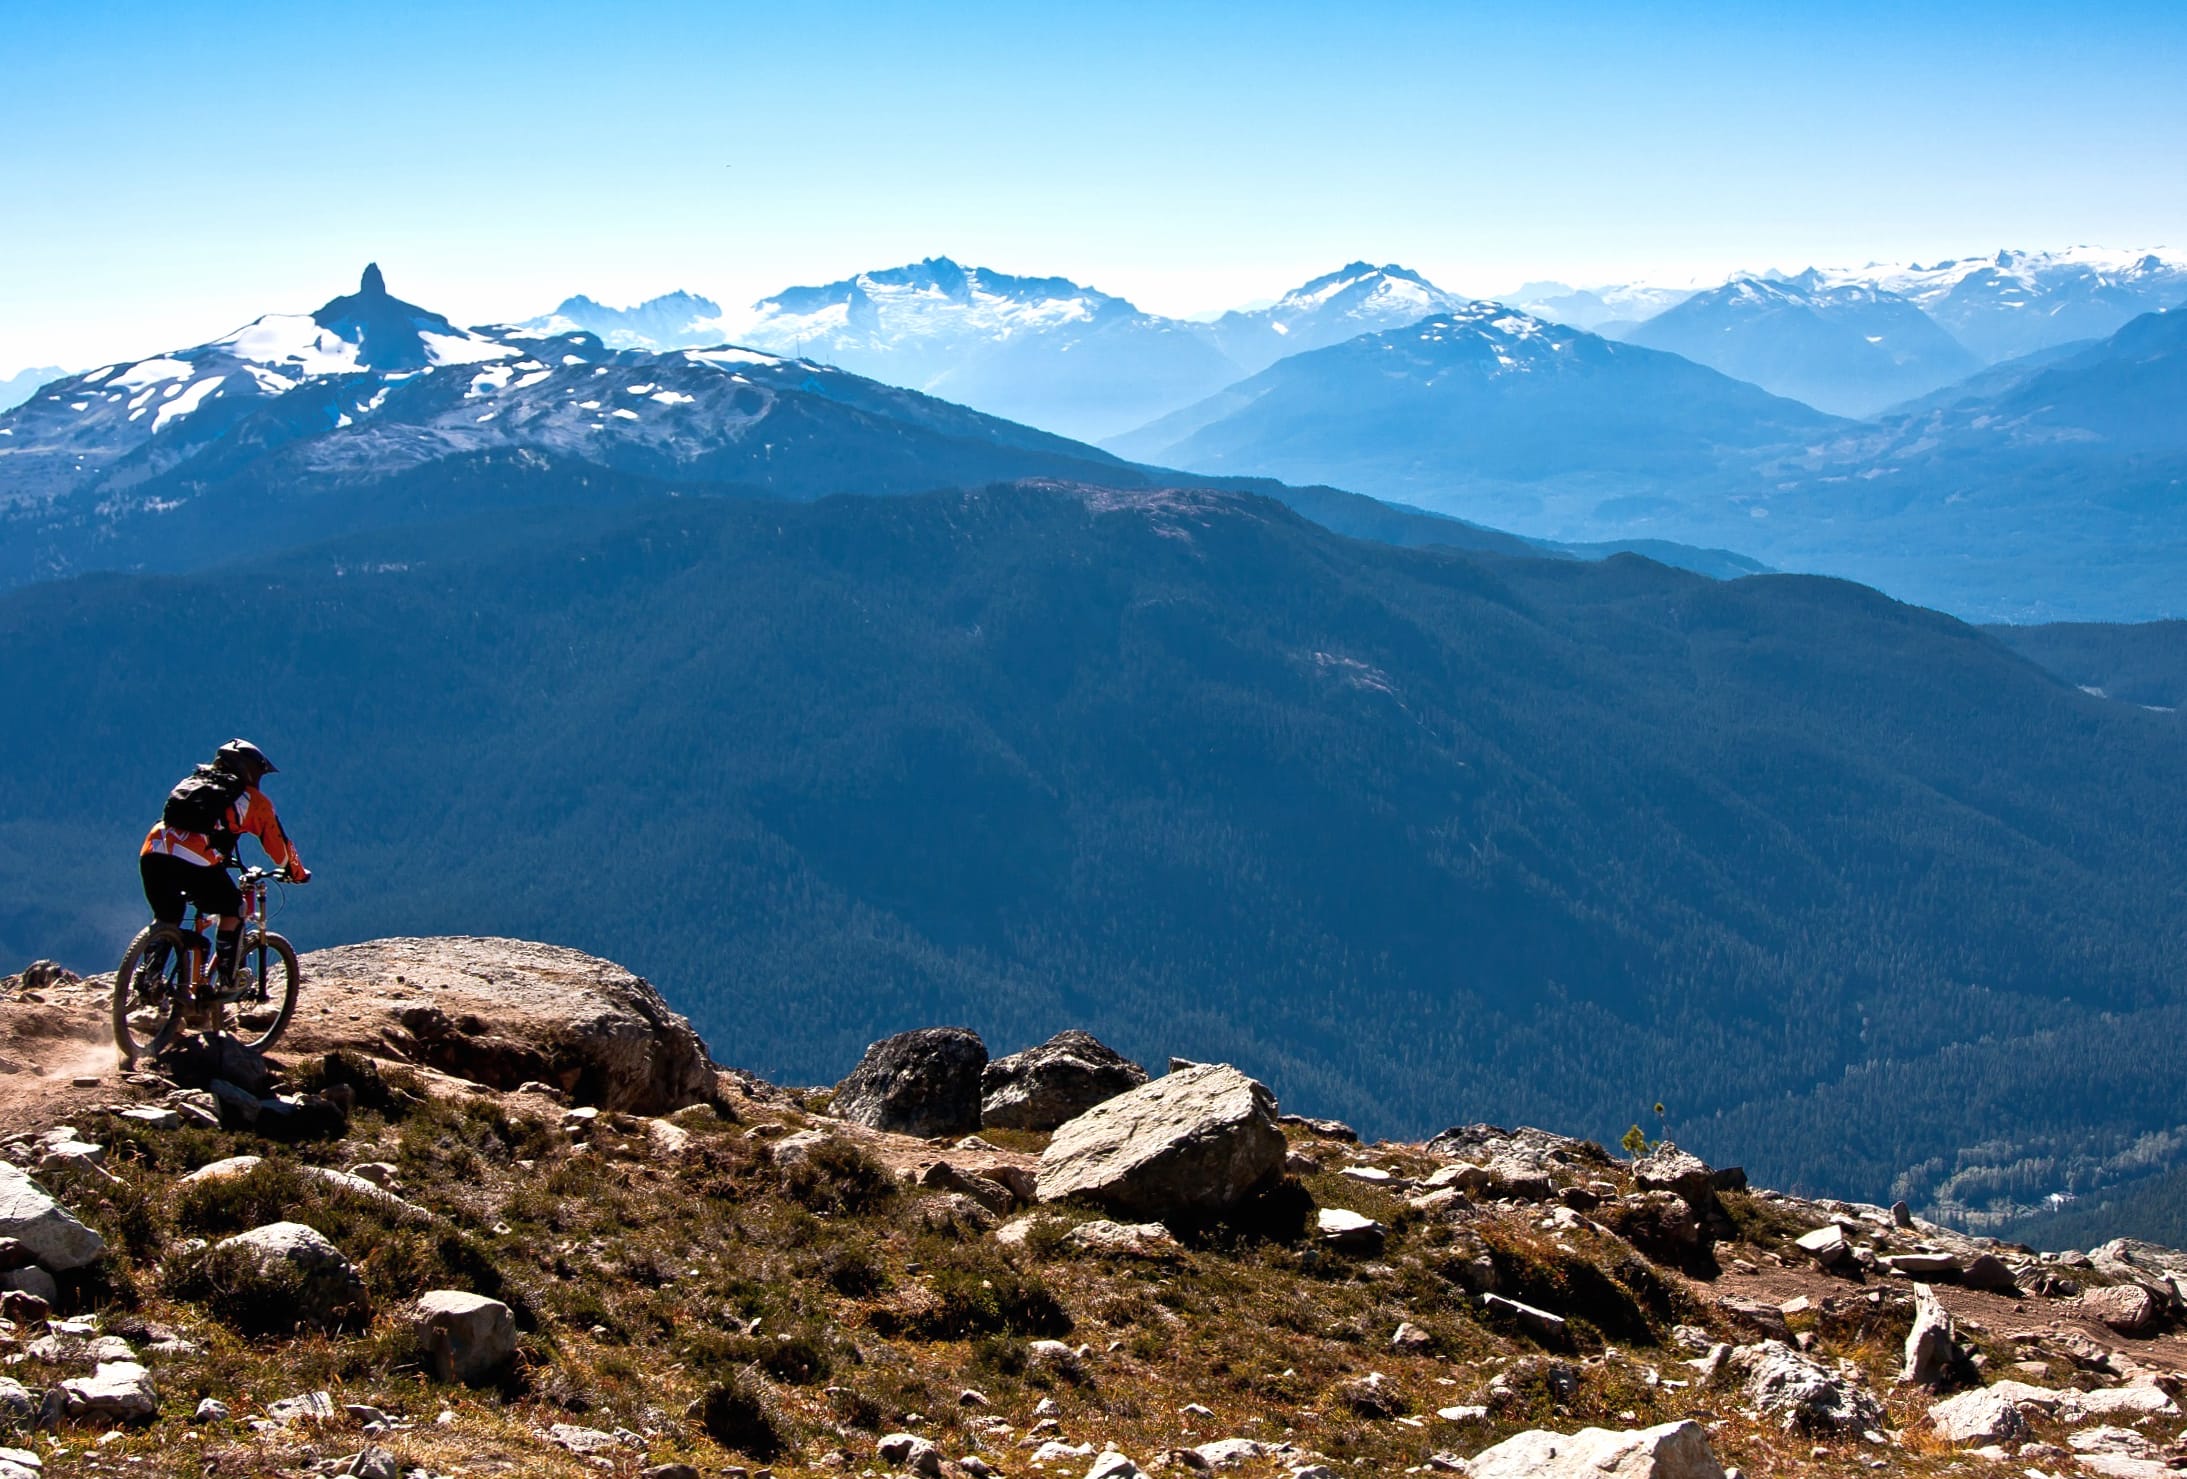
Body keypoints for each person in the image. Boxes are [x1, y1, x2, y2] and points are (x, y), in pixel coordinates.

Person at [140, 739, 310, 995]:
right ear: (249, 770)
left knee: (167, 915)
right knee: (233, 908)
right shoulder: (251, 800)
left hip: (154, 850)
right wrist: (296, 872)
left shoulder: (194, 782)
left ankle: (149, 980)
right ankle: (227, 982)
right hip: (194, 858)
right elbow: (279, 846)